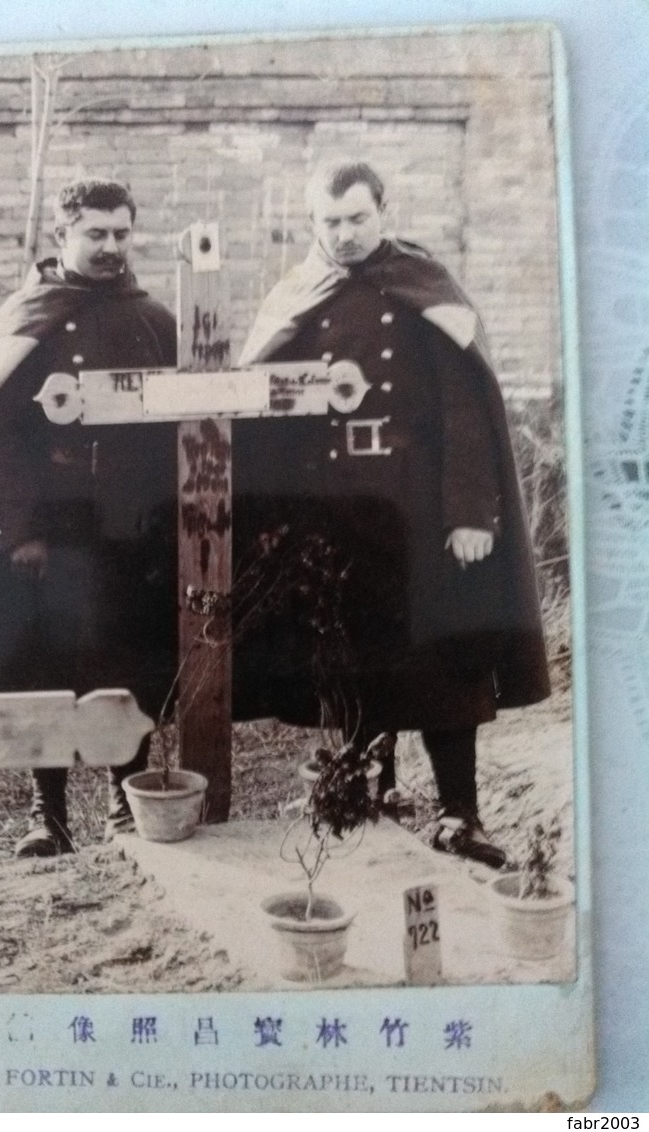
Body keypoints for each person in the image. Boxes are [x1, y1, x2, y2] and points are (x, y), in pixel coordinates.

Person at [234, 159, 551, 867]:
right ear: (310, 221)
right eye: (328, 222)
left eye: (356, 219)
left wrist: (470, 512)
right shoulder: (295, 295)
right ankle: (359, 791)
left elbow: (465, 408)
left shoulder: (424, 288)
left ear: (383, 212)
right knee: (348, 657)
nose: (343, 235)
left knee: (444, 663)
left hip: (417, 507)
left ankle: (457, 813)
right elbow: (261, 403)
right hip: (333, 512)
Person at [0, 178, 178, 857]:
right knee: (45, 661)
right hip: (52, 531)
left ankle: (123, 798)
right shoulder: (26, 319)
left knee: (122, 658)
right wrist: (19, 531)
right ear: (63, 237)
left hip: (128, 529)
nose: (110, 248)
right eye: (95, 235)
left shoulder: (153, 321)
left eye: (120, 234)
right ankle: (46, 814)